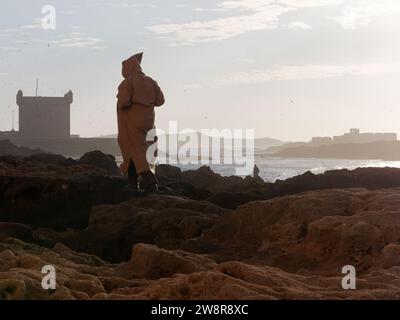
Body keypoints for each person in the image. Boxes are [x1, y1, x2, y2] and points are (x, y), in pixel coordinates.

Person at [116, 52, 165, 192]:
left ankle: (151, 184)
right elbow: (160, 100)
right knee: (138, 153)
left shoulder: (128, 82)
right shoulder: (151, 81)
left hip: (131, 124)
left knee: (136, 153)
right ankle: (133, 184)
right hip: (148, 123)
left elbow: (123, 102)